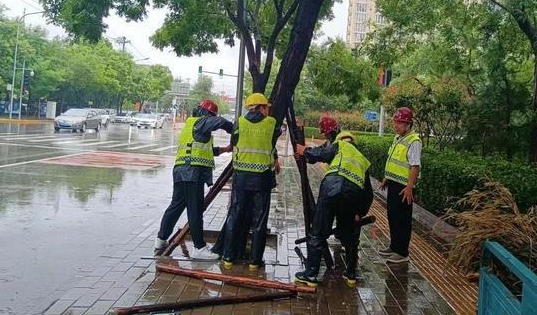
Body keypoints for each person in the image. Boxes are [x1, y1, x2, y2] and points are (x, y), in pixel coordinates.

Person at [154, 99, 233, 259]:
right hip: (192, 173)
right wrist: (234, 129)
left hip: (181, 170)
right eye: (211, 115)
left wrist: (225, 149)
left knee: (176, 206)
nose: (212, 118)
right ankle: (199, 248)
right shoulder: (202, 122)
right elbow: (221, 122)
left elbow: (204, 149)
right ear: (207, 114)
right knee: (195, 209)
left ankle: (161, 239)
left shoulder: (191, 125)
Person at [293, 131, 373, 287]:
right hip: (352, 194)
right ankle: (350, 275)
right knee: (350, 234)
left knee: (318, 231)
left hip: (332, 187)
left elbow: (322, 153)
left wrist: (305, 151)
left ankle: (310, 275)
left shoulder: (340, 145)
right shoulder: (363, 160)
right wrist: (360, 213)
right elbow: (368, 193)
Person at [220, 93, 281, 270]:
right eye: (266, 107)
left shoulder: (239, 123)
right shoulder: (272, 124)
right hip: (262, 179)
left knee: (234, 216)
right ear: (261, 107)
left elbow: (234, 143)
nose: (268, 110)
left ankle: (228, 257)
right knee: (260, 221)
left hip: (241, 178)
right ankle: (255, 261)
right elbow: (270, 144)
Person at [378, 107, 421, 264]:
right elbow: (394, 161)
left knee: (402, 219)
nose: (396, 125)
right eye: (395, 122)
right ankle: (394, 246)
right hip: (394, 184)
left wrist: (410, 187)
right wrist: (386, 178)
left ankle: (402, 252)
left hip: (404, 187)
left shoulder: (414, 141)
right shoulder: (398, 138)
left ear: (408, 124)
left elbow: (415, 166)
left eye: (400, 122)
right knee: (393, 216)